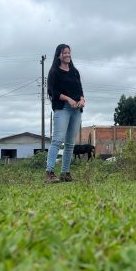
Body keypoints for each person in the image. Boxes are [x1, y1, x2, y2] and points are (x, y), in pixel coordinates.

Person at [44, 44, 85, 183]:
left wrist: (82, 99)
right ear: (59, 55)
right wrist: (68, 99)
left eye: (69, 52)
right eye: (64, 53)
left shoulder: (75, 72)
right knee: (57, 140)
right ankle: (49, 173)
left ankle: (65, 173)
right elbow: (52, 92)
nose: (67, 55)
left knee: (70, 143)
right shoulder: (54, 72)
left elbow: (80, 90)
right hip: (63, 109)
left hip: (76, 110)